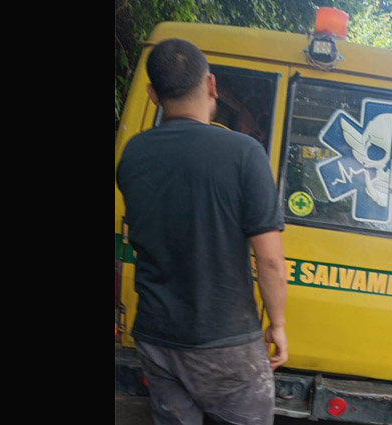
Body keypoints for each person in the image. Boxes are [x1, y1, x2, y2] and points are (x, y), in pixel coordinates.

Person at [116, 38, 288, 425]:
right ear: (211, 85)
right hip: (225, 342)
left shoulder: (134, 154)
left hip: (157, 337)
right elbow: (271, 261)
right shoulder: (244, 154)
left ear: (152, 94)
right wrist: (276, 325)